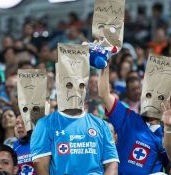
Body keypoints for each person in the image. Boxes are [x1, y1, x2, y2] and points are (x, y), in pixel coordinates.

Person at [31, 44, 119, 174]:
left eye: (81, 85)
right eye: (68, 84)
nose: (75, 89)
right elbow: (41, 166)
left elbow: (112, 164)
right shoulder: (45, 125)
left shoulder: (101, 125)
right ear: (59, 86)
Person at [98, 64, 171, 174]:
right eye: (148, 95)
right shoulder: (128, 117)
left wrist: (169, 127)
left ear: (165, 102)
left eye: (159, 97)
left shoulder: (167, 135)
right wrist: (104, 64)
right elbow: (104, 94)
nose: (151, 100)